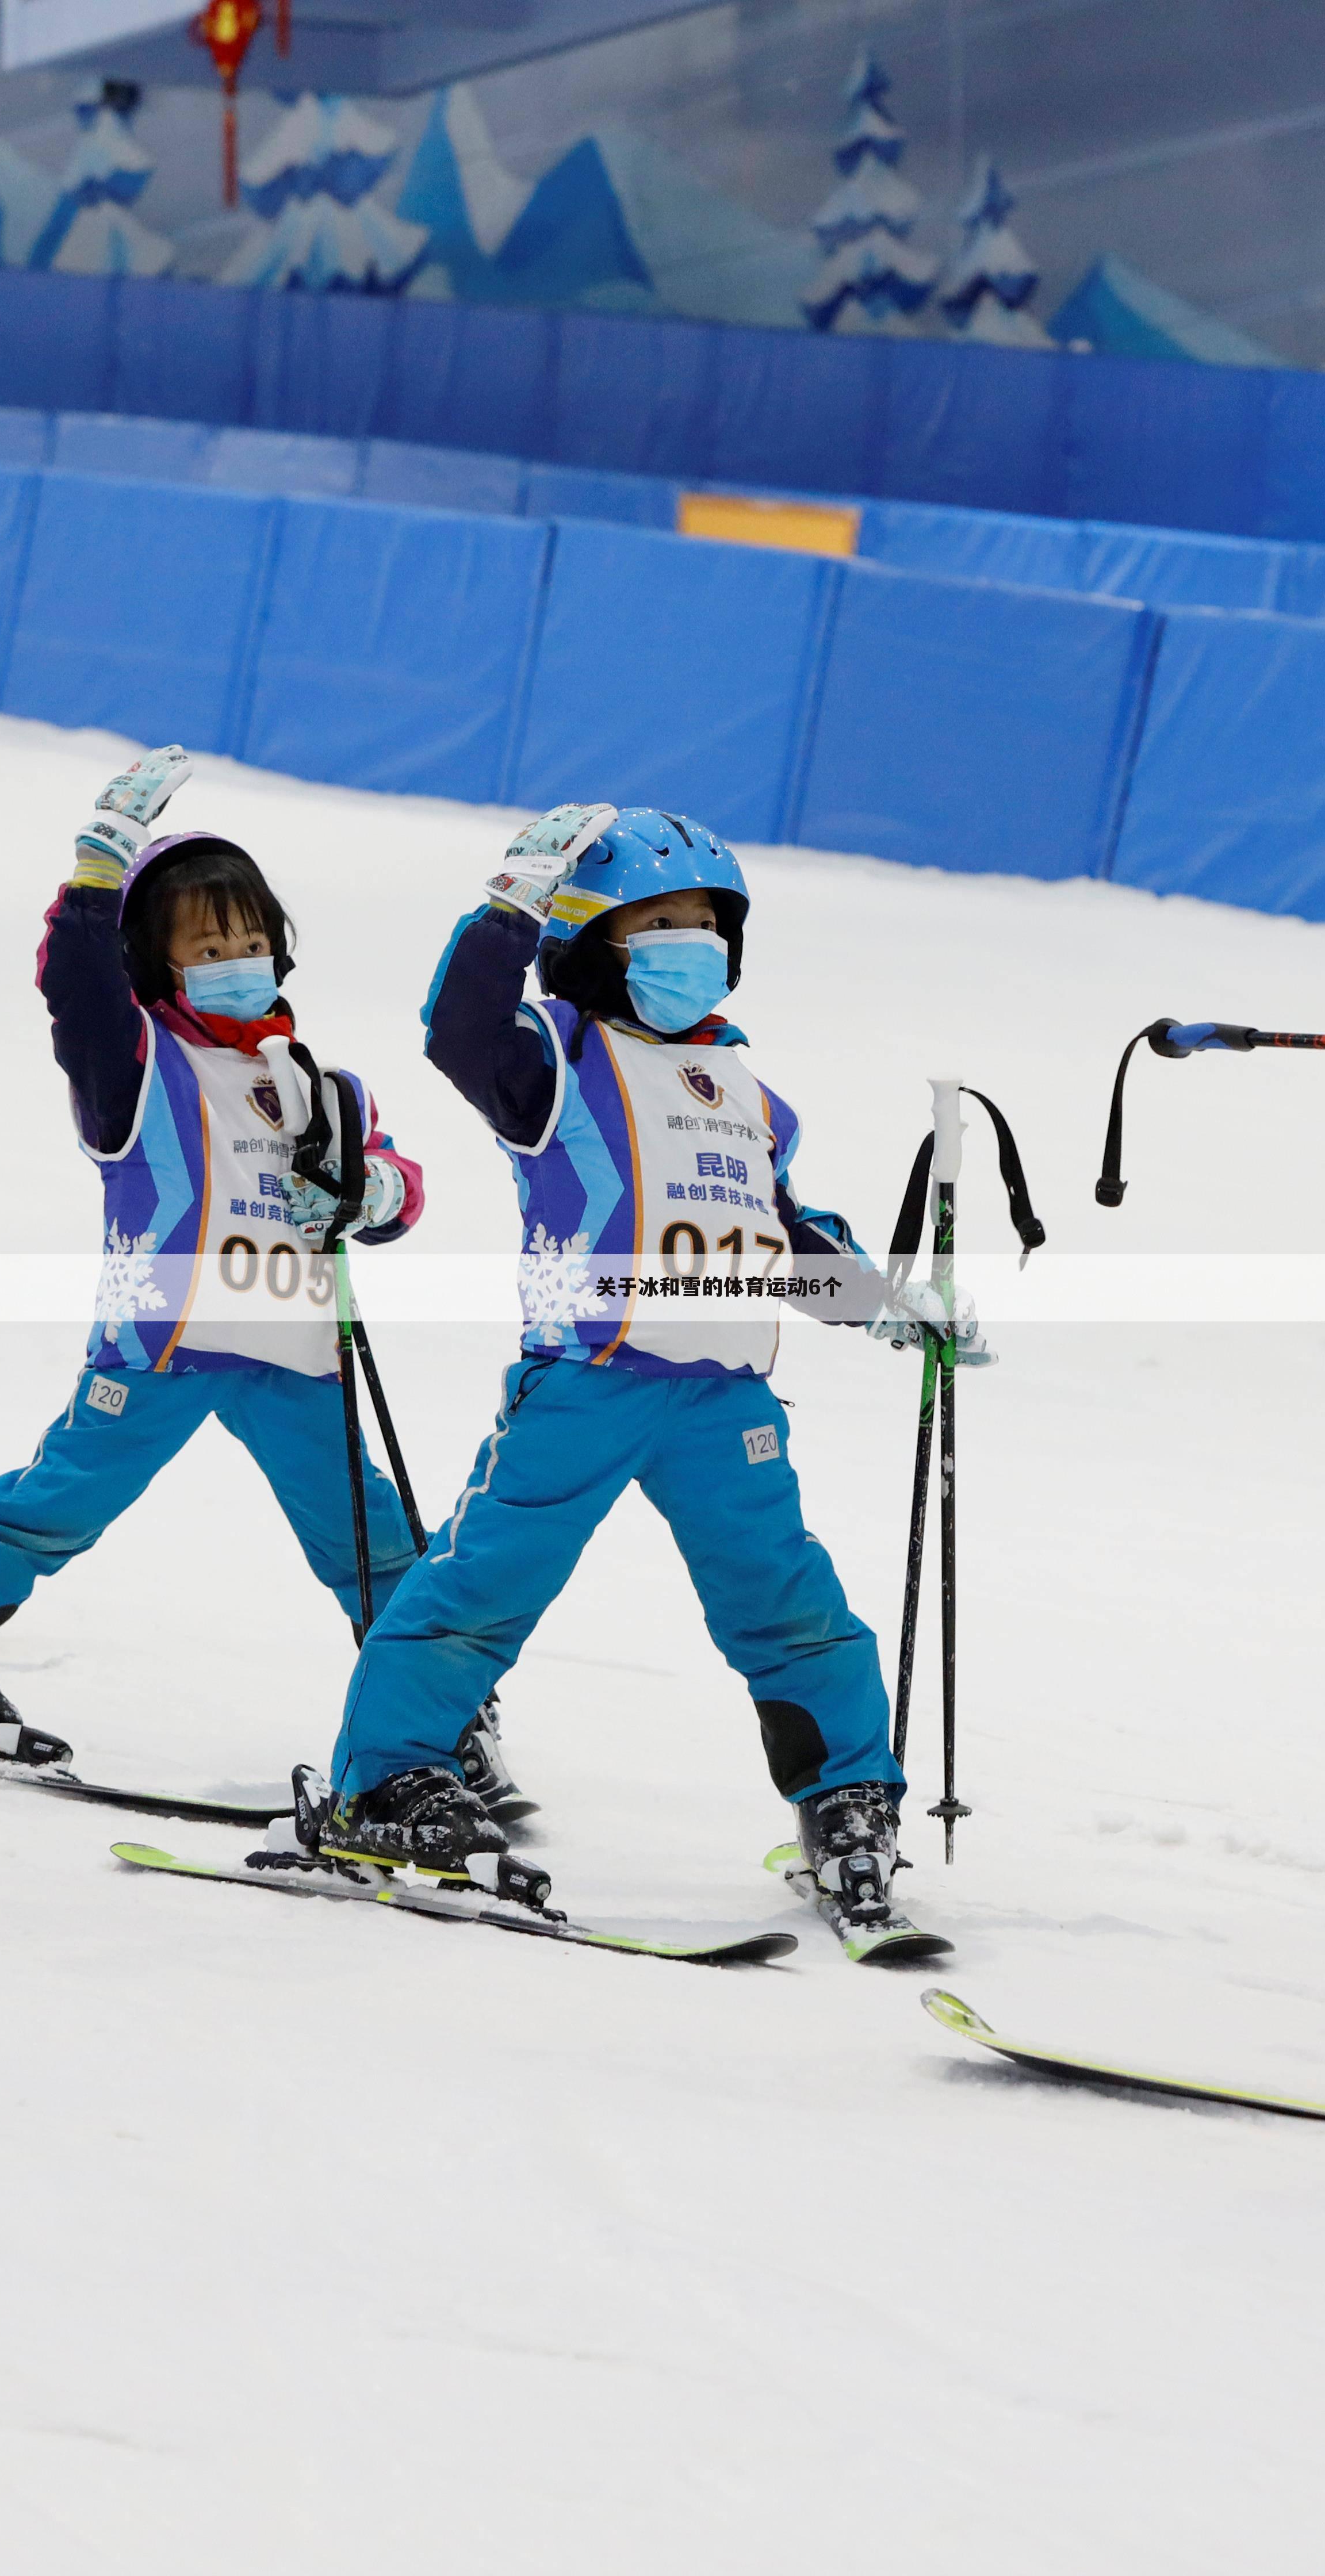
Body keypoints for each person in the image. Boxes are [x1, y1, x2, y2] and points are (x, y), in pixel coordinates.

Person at [305, 805, 972, 1941]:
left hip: (726, 1398)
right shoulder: (554, 1059)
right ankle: (387, 1782)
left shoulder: (753, 1095)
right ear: (596, 939)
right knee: (483, 1587)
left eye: (708, 923)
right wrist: (510, 902)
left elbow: (780, 1231)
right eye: (657, 921)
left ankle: (848, 1798)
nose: (688, 942)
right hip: (588, 1382)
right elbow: (458, 1031)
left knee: (788, 1602)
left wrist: (886, 1305)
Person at [0, 749, 426, 1757]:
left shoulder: (325, 1083)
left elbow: (396, 1184)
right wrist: (98, 867)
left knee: (372, 1538)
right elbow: (74, 985)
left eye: (251, 939)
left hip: (296, 1355)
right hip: (161, 1349)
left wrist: (376, 1191)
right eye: (206, 945)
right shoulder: (138, 1065)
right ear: (156, 966)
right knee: (53, 1507)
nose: (235, 958)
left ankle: (435, 1706)